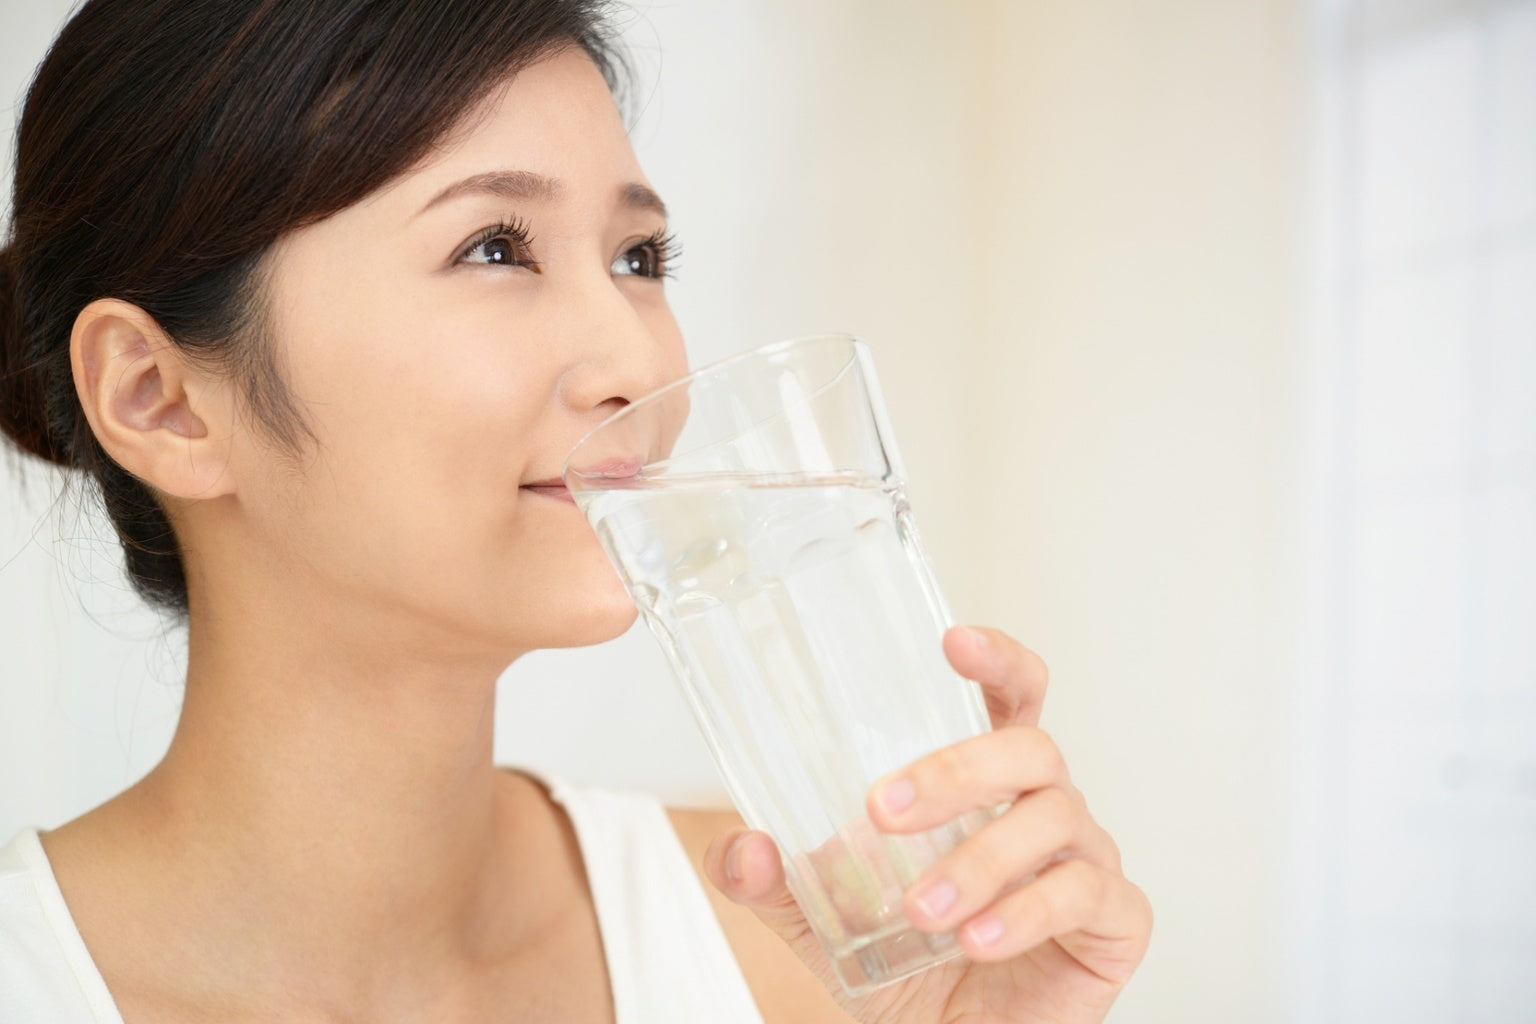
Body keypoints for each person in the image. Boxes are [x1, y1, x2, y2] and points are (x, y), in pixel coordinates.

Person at [0, 1, 1152, 1020]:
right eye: (494, 246)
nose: (633, 360)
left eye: (640, 256)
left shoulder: (813, 945)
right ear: (160, 401)